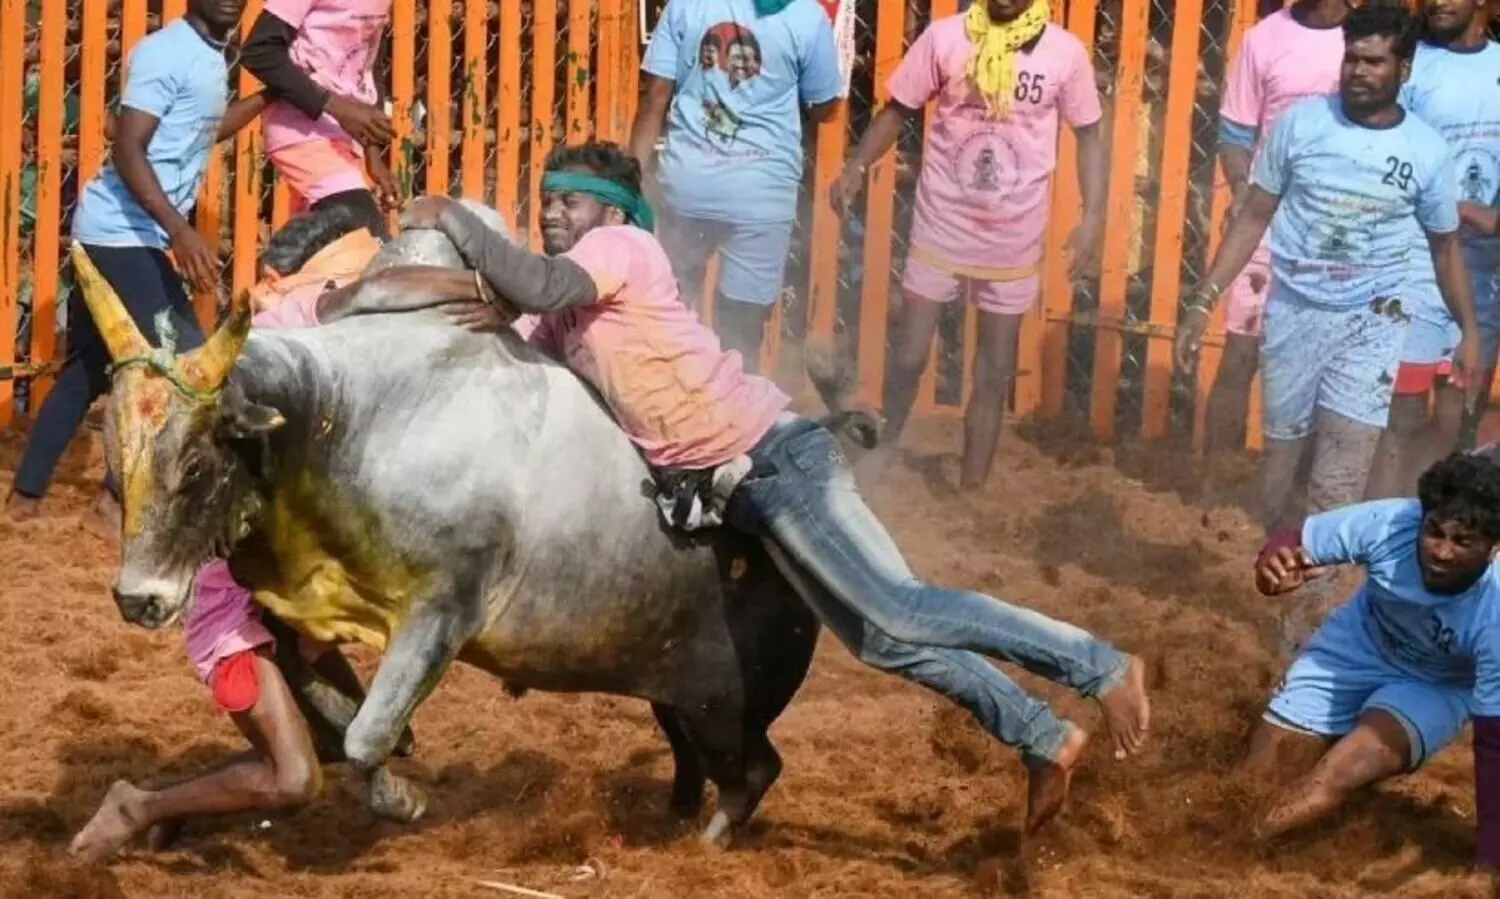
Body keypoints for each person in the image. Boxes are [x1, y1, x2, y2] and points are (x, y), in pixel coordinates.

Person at [398, 140, 1152, 835]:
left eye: (570, 200)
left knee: (901, 605)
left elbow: (534, 282)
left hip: (774, 459)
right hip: (742, 487)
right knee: (886, 639)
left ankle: (1100, 666)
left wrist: (451, 219)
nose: (553, 212)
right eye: (547, 200)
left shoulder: (621, 249)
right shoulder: (567, 312)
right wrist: (453, 299)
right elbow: (523, 339)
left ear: (615, 211)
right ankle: (1041, 735)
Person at [67, 208, 414, 866]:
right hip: (231, 611)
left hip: (286, 601)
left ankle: (177, 805)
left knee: (353, 741)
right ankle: (135, 806)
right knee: (295, 779)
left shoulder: (310, 343)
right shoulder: (276, 345)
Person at [1174, 0, 1480, 652]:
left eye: (1374, 62)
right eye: (1352, 59)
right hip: (1294, 317)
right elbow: (1253, 216)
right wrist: (1203, 299)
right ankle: (1280, 575)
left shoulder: (1425, 152)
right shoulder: (1300, 127)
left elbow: (1445, 249)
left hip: (1372, 324)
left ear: (1403, 69)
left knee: (1337, 482)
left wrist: (1470, 332)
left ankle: (1308, 630)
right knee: (1280, 478)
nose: (1358, 72)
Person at [5, 0, 268, 521]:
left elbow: (200, 129)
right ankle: (116, 498)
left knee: (87, 370)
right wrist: (180, 231)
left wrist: (268, 96)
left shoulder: (211, 55)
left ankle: (25, 496)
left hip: (127, 233)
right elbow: (128, 148)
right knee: (186, 365)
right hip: (119, 235)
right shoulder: (164, 51)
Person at [831, 0, 1104, 490]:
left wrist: (1094, 215)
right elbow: (898, 109)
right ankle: (885, 448)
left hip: (1013, 236)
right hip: (942, 222)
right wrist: (857, 163)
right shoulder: (946, 38)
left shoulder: (1065, 54)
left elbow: (1089, 135)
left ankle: (972, 484)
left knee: (993, 370)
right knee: (910, 353)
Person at [1245, 452, 1500, 871]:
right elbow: (1295, 540)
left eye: (1462, 542)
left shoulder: (1495, 612)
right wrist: (1271, 567)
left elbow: (1493, 742)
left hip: (1435, 685)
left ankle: (1229, 845)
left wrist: (1490, 859)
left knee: (1337, 774)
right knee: (1254, 781)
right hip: (1354, 648)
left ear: (1493, 546)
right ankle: (1232, 830)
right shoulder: (1390, 522)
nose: (1441, 552)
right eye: (1434, 532)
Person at [627, 0, 843, 371]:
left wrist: (631, 178)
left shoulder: (686, 6)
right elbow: (825, 106)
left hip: (689, 187)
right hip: (761, 196)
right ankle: (733, 398)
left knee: (671, 311)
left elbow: (655, 97)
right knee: (741, 336)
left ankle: (671, 389)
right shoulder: (807, 16)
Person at [1365, 0, 1500, 498]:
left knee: (1456, 413)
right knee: (1400, 412)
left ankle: (1422, 512)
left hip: (1484, 270)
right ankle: (1380, 517)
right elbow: (1383, 149)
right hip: (1416, 262)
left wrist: (1491, 216)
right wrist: (1443, 208)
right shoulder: (1414, 65)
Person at [1205, 0, 1347, 454]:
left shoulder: (1365, 40)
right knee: (1239, 356)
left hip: (1341, 229)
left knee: (1324, 368)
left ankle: (1300, 488)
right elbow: (1234, 134)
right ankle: (1213, 484)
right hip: (1268, 226)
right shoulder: (1263, 39)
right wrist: (1243, 191)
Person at [242, 0, 399, 239]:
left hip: (347, 137)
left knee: (318, 248)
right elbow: (260, 50)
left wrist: (373, 154)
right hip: (300, 129)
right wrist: (338, 108)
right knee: (364, 231)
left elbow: (367, 64)